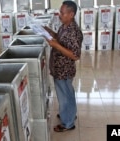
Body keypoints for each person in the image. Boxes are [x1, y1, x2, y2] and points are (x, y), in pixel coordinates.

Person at [44, 1, 83, 132]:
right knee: (66, 94)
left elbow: (75, 55)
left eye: (62, 13)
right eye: (60, 12)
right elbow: (60, 40)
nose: (59, 15)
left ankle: (68, 123)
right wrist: (49, 32)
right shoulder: (64, 26)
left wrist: (56, 46)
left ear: (71, 14)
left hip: (64, 70)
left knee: (65, 96)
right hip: (59, 69)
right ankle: (68, 113)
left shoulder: (74, 32)